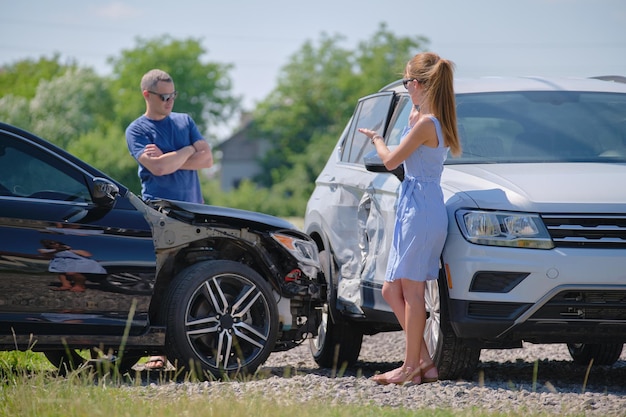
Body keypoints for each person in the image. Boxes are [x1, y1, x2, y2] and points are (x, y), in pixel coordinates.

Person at [358, 52, 462, 385]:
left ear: (417, 84)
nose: (405, 89)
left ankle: (409, 368)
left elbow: (391, 162)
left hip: (421, 209)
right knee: (391, 289)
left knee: (413, 293)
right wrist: (412, 105)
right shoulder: (423, 117)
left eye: (407, 83)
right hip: (415, 205)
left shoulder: (428, 123)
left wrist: (377, 140)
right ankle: (425, 363)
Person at [126, 68, 214, 370]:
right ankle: (157, 352)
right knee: (161, 280)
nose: (170, 101)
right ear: (147, 95)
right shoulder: (136, 130)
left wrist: (172, 155)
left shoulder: (185, 121)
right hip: (159, 212)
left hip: (194, 212)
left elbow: (207, 159)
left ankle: (194, 349)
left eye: (173, 95)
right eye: (164, 96)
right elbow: (159, 170)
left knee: (194, 278)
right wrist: (189, 150)